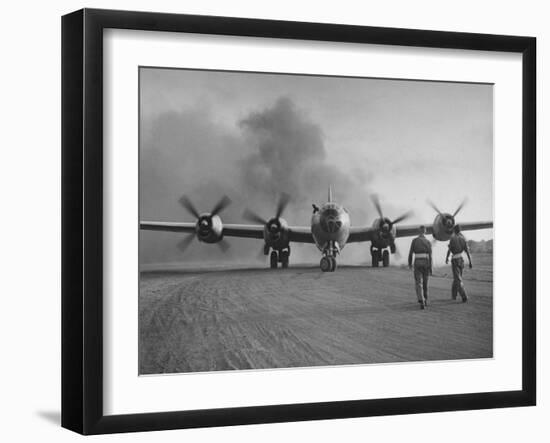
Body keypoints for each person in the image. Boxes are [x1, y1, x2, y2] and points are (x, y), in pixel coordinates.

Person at [445, 224, 472, 302]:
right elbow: (467, 251)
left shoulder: (452, 239)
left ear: (454, 230)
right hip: (461, 260)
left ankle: (464, 296)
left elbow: (449, 250)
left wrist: (446, 258)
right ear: (460, 230)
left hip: (455, 260)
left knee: (458, 279)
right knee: (457, 279)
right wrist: (470, 262)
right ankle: (454, 296)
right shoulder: (463, 239)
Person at [408, 226, 433, 309]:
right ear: (425, 232)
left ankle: (421, 300)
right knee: (425, 283)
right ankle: (425, 300)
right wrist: (431, 267)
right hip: (426, 263)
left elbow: (411, 253)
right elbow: (431, 256)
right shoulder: (428, 242)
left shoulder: (414, 241)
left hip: (417, 262)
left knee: (419, 283)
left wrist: (409, 264)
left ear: (419, 231)